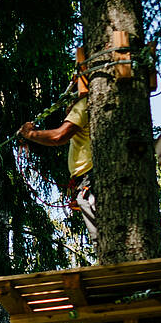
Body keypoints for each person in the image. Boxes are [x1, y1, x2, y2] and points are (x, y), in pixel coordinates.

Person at [19, 92, 97, 239]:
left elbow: (58, 136)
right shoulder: (94, 103)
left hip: (91, 179)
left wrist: (30, 134)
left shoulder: (84, 104)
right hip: (88, 179)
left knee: (102, 235)